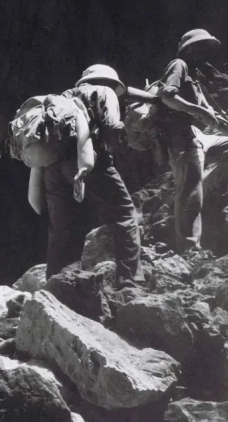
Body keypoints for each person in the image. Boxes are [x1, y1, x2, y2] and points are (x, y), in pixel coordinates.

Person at [34, 64, 145, 288]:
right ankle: (130, 281)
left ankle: (56, 285)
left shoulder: (63, 97)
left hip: (52, 167)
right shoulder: (105, 92)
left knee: (61, 228)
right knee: (124, 214)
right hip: (86, 159)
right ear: (110, 82)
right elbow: (111, 126)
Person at [158, 29, 228, 252]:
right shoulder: (179, 65)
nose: (206, 54)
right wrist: (198, 110)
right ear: (191, 49)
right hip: (180, 137)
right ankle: (188, 249)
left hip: (197, 135)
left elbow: (213, 119)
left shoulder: (194, 79)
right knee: (190, 192)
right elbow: (166, 96)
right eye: (202, 48)